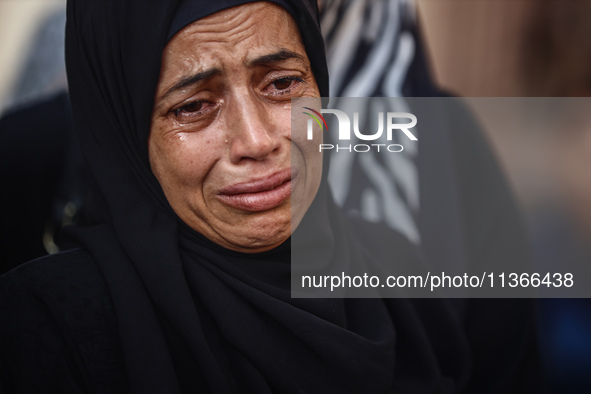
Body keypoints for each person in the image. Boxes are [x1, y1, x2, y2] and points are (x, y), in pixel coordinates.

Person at [0, 0, 542, 392]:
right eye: (193, 107)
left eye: (283, 83)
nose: (257, 141)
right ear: (124, 130)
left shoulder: (403, 288)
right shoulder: (49, 328)